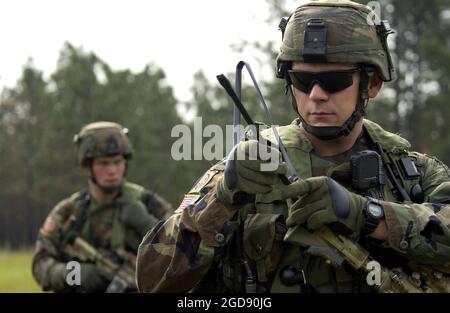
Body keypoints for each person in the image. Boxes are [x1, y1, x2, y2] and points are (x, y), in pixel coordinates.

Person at [136, 0, 450, 293]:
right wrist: (222, 200)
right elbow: (150, 278)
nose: (316, 95)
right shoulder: (249, 169)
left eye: (335, 81)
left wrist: (366, 214)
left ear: (372, 84)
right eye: (302, 81)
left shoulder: (414, 173)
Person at [32, 121, 172, 292]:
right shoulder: (69, 212)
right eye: (103, 163)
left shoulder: (148, 204)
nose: (112, 170)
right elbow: (40, 265)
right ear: (87, 166)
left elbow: (183, 253)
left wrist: (148, 225)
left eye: (117, 162)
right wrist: (76, 274)